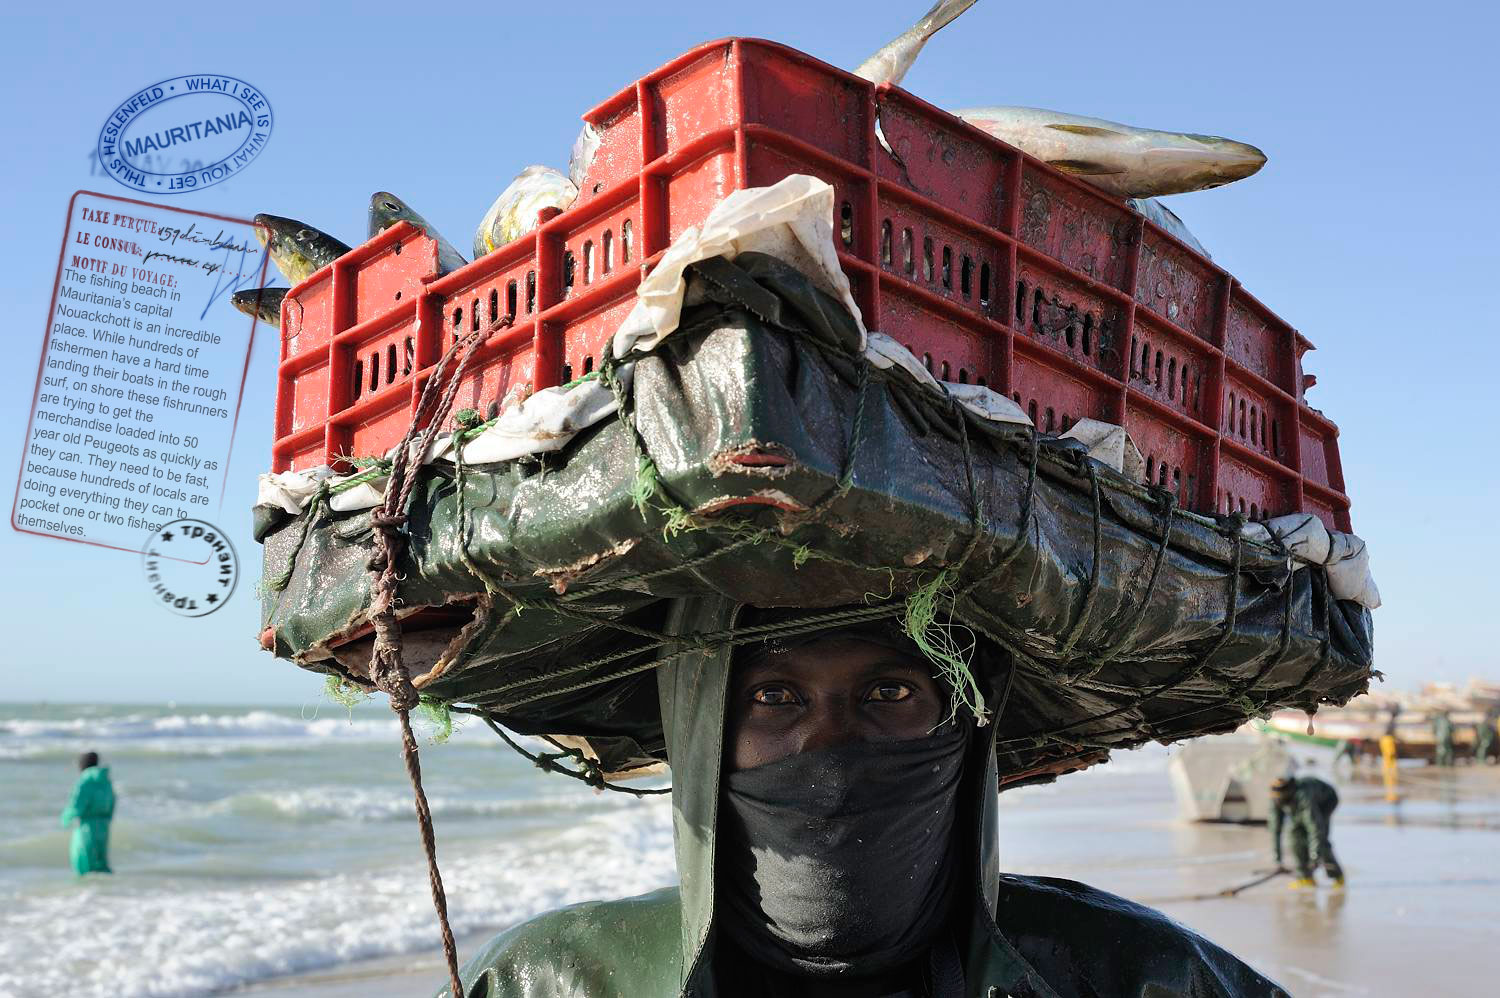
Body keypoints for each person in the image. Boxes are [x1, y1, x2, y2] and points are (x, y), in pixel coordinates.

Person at [451, 600, 1287, 996]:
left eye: (888, 695)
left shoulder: (1135, 975)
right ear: (705, 730)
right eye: (776, 698)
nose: (828, 742)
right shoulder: (556, 980)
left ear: (961, 732)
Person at [1269, 775, 1342, 888]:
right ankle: (1305, 877)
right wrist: (1278, 859)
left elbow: (1315, 829)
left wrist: (1314, 856)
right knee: (1295, 837)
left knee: (1320, 841)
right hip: (1301, 806)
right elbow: (1275, 829)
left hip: (1326, 800)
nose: (1279, 800)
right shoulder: (1275, 799)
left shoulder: (1303, 795)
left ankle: (1337, 876)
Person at [60, 751, 114, 876]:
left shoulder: (85, 781)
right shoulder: (105, 780)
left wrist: (66, 819)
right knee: (101, 863)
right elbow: (112, 801)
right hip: (103, 826)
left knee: (83, 863)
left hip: (87, 826)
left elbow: (77, 805)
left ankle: (87, 893)